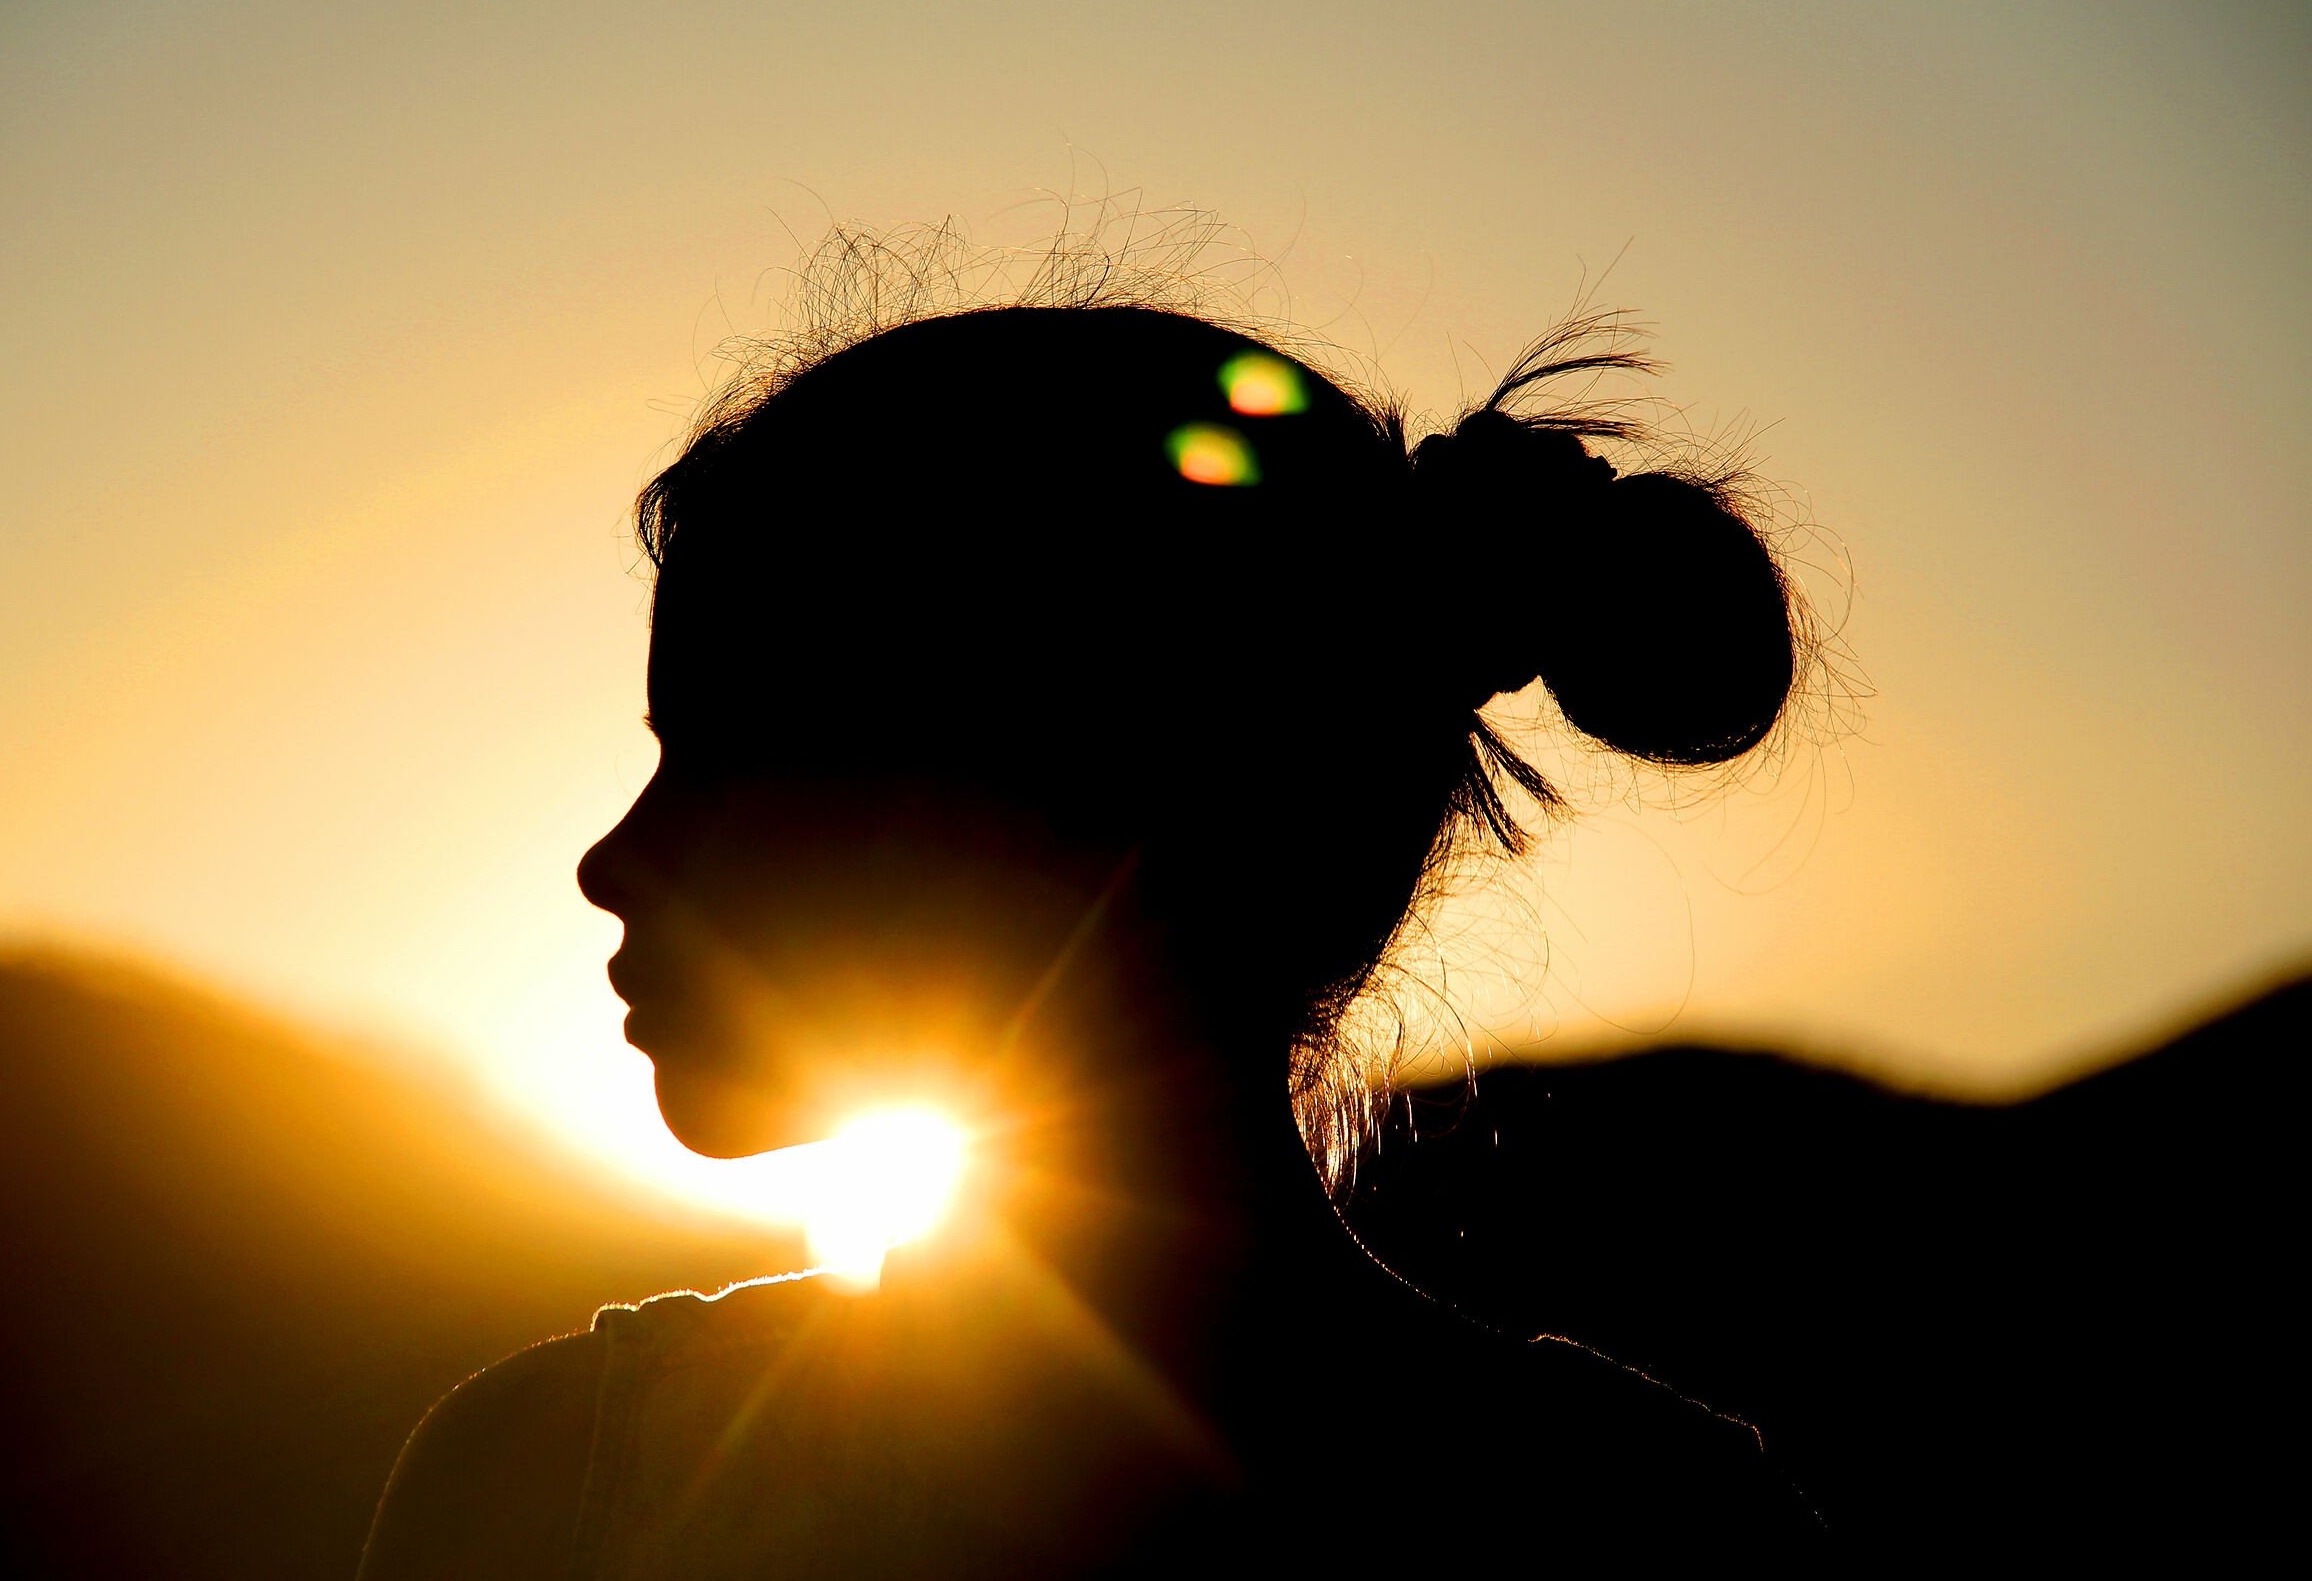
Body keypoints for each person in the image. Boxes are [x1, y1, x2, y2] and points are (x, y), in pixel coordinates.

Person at [358, 230, 1825, 1578]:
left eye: (734, 761)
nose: (612, 863)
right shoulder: (1655, 1525)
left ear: (1039, 794)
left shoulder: (556, 1489)